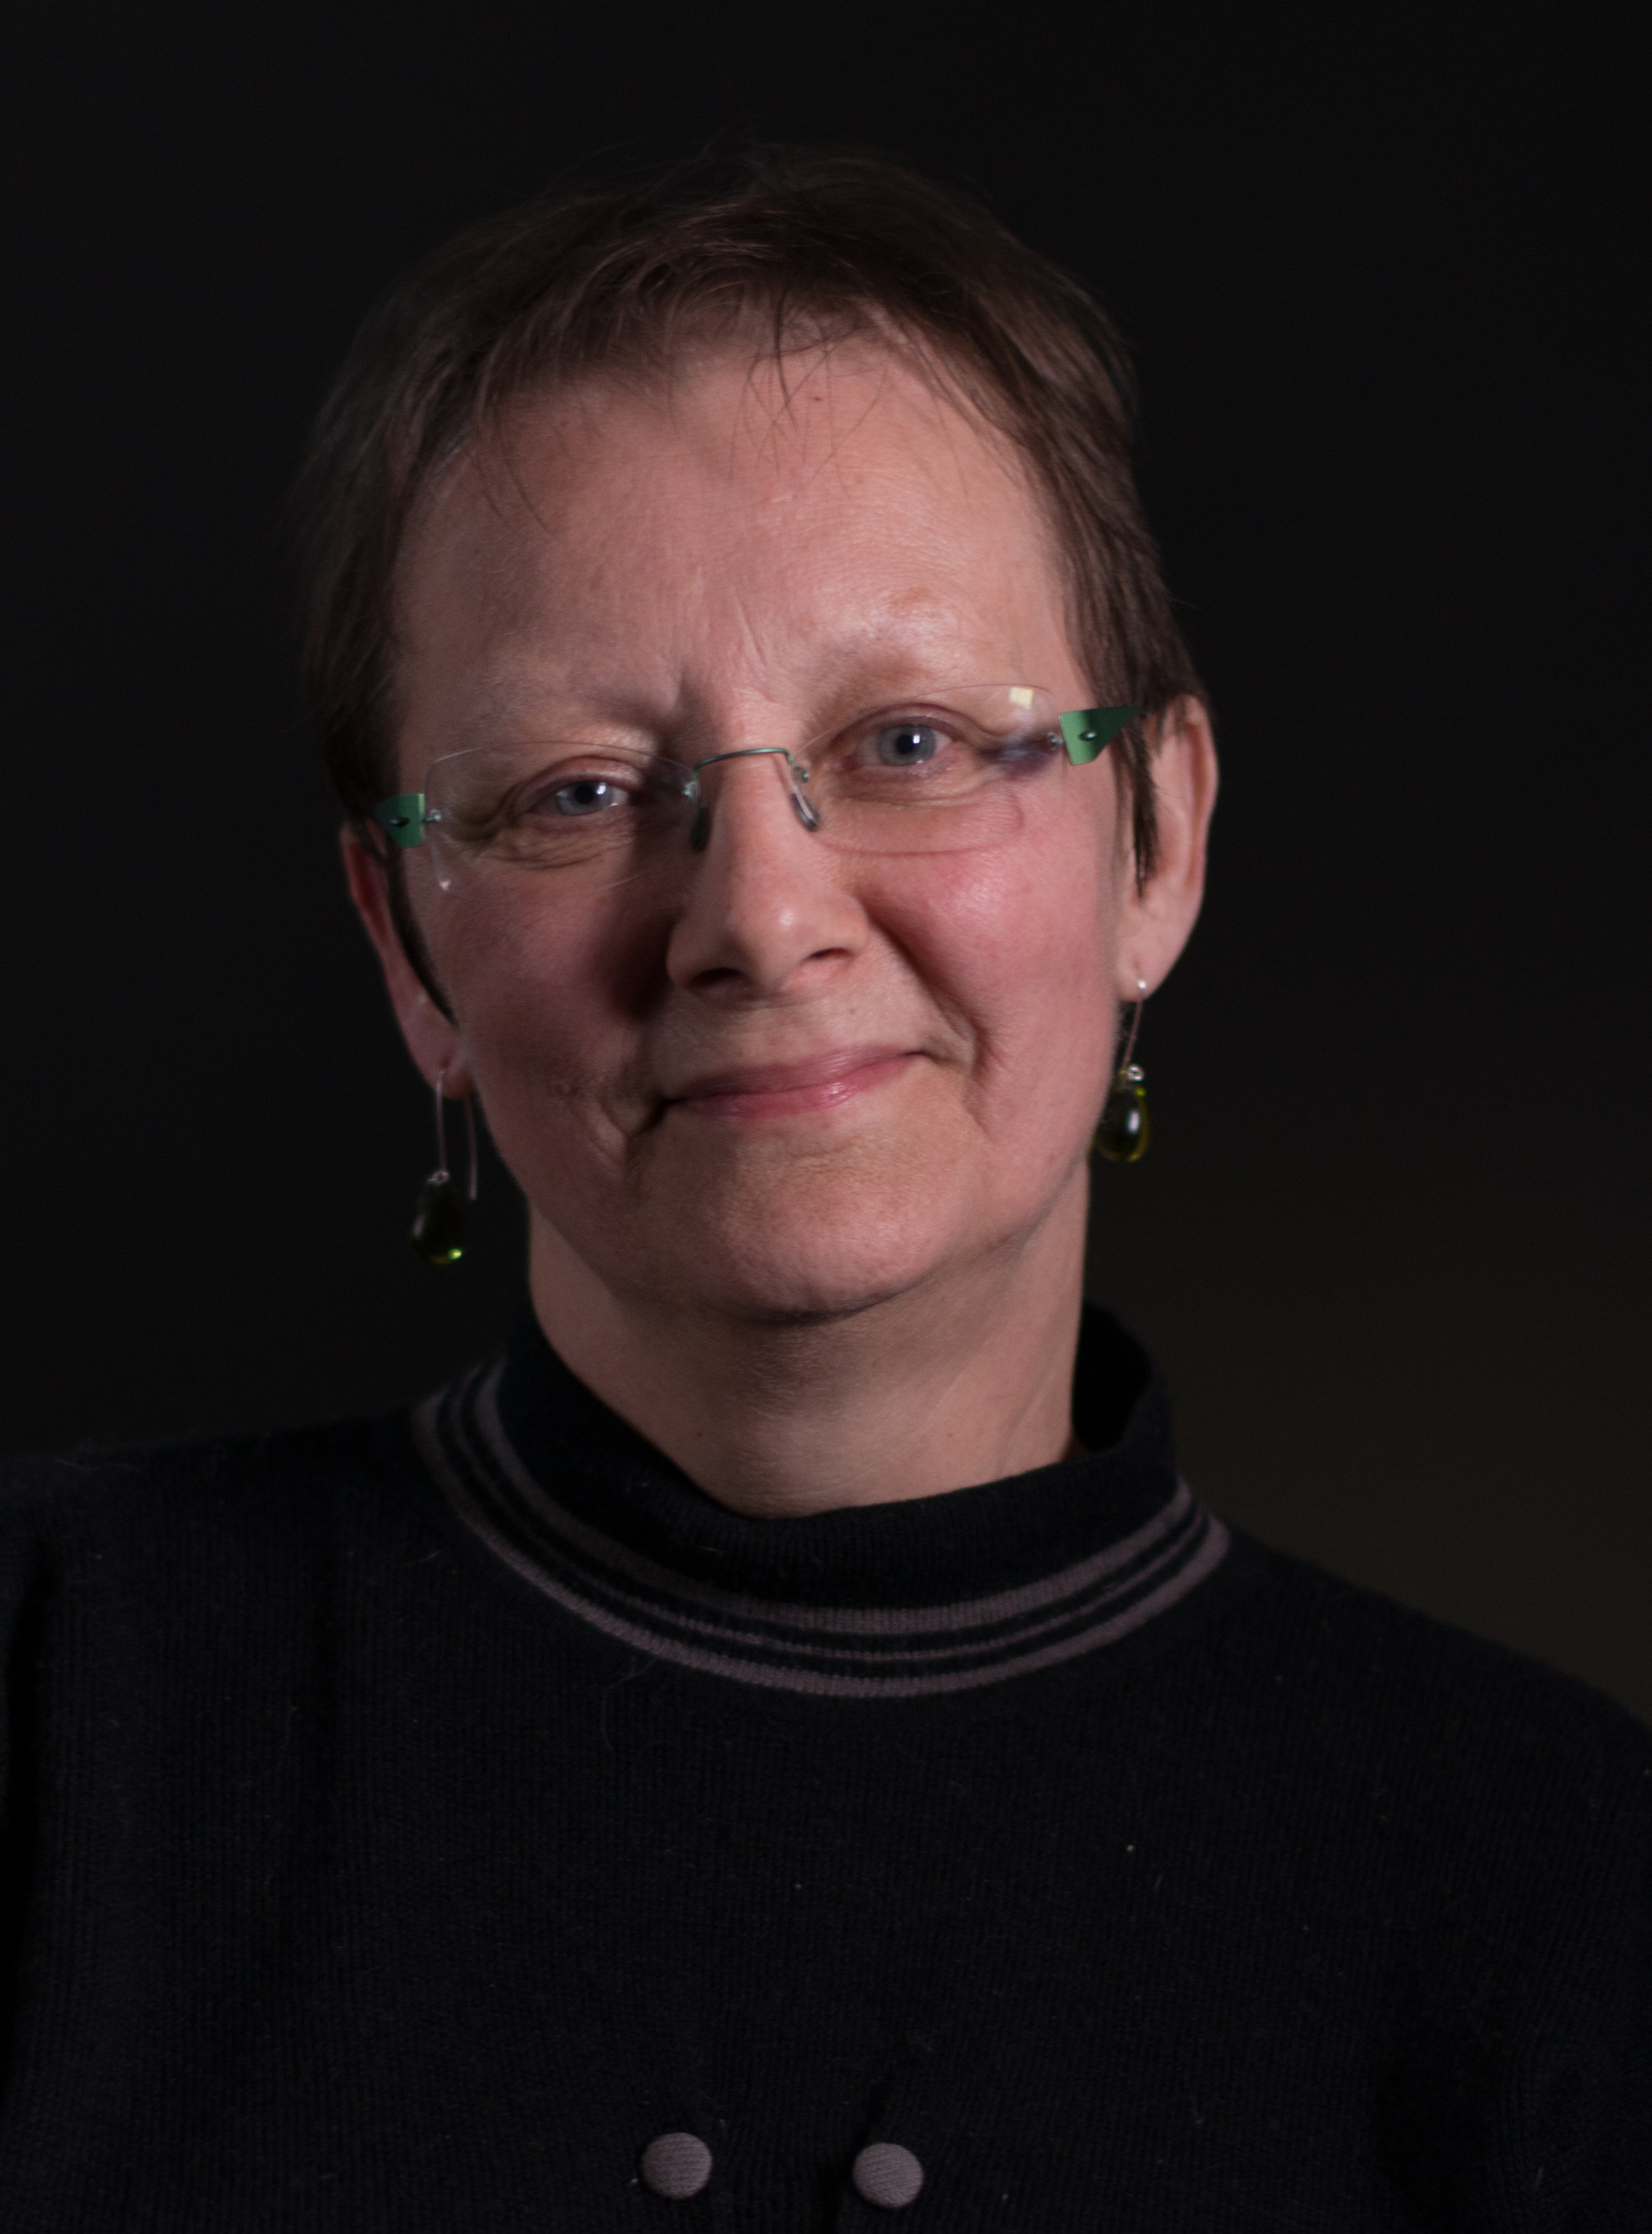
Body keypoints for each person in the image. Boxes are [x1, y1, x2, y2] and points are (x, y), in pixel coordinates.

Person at [1, 149, 1646, 2230]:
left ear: (1156, 842)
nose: (760, 920)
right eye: (581, 789)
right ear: (406, 948)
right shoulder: (51, 1705)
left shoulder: (1572, 1892)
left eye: (914, 744)